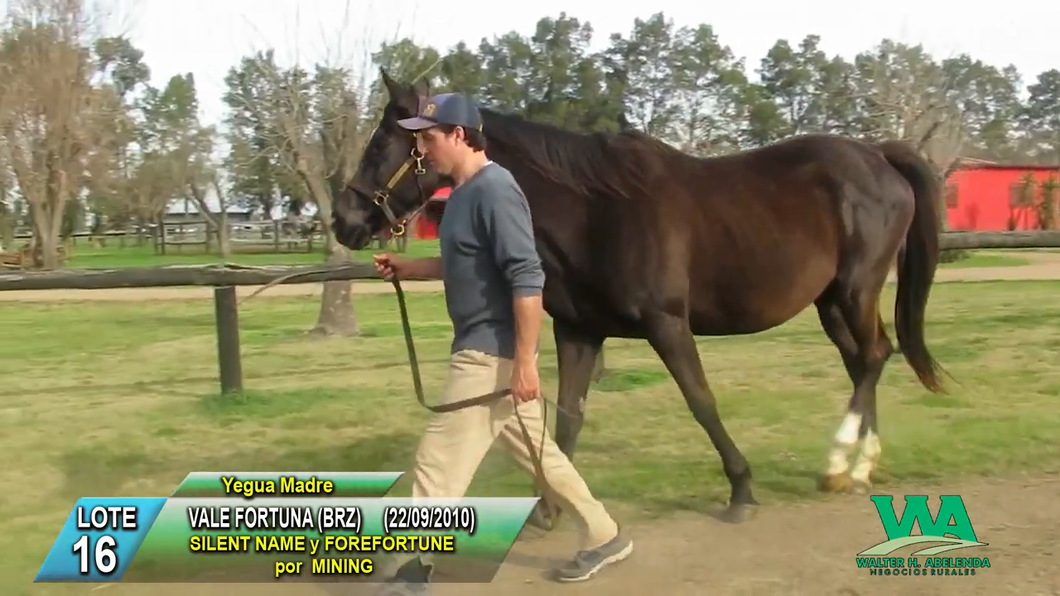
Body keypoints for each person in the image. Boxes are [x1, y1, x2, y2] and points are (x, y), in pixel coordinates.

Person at [372, 93, 633, 593]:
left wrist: (526, 362)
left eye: (429, 138)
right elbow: (466, 263)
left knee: (437, 465)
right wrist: (410, 266)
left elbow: (527, 278)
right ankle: (605, 534)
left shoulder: (496, 190)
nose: (422, 150)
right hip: (489, 351)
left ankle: (413, 569)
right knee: (541, 457)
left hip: (488, 354)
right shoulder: (461, 195)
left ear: (459, 135)